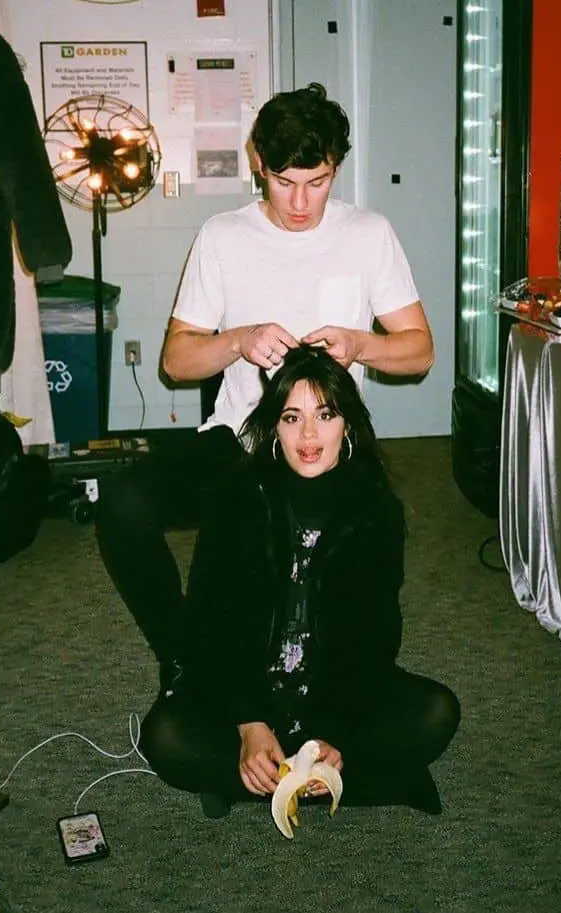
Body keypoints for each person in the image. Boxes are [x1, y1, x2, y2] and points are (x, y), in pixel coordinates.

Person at [95, 82, 434, 692]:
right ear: (259, 163)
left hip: (326, 445)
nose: (301, 202)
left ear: (336, 168)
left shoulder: (369, 233)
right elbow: (176, 361)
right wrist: (238, 340)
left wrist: (360, 344)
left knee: (345, 560)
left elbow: (419, 353)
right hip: (243, 440)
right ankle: (181, 657)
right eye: (284, 182)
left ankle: (335, 683)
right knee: (123, 503)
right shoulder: (223, 236)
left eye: (318, 182)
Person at [139, 345, 460, 817]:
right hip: (251, 689)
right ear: (275, 428)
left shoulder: (374, 510)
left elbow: (374, 637)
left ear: (347, 425)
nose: (309, 434)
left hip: (331, 693)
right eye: (292, 418)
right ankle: (345, 783)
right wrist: (249, 722)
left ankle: (260, 782)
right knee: (165, 739)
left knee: (437, 712)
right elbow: (211, 622)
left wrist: (333, 732)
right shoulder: (238, 498)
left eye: (325, 415)